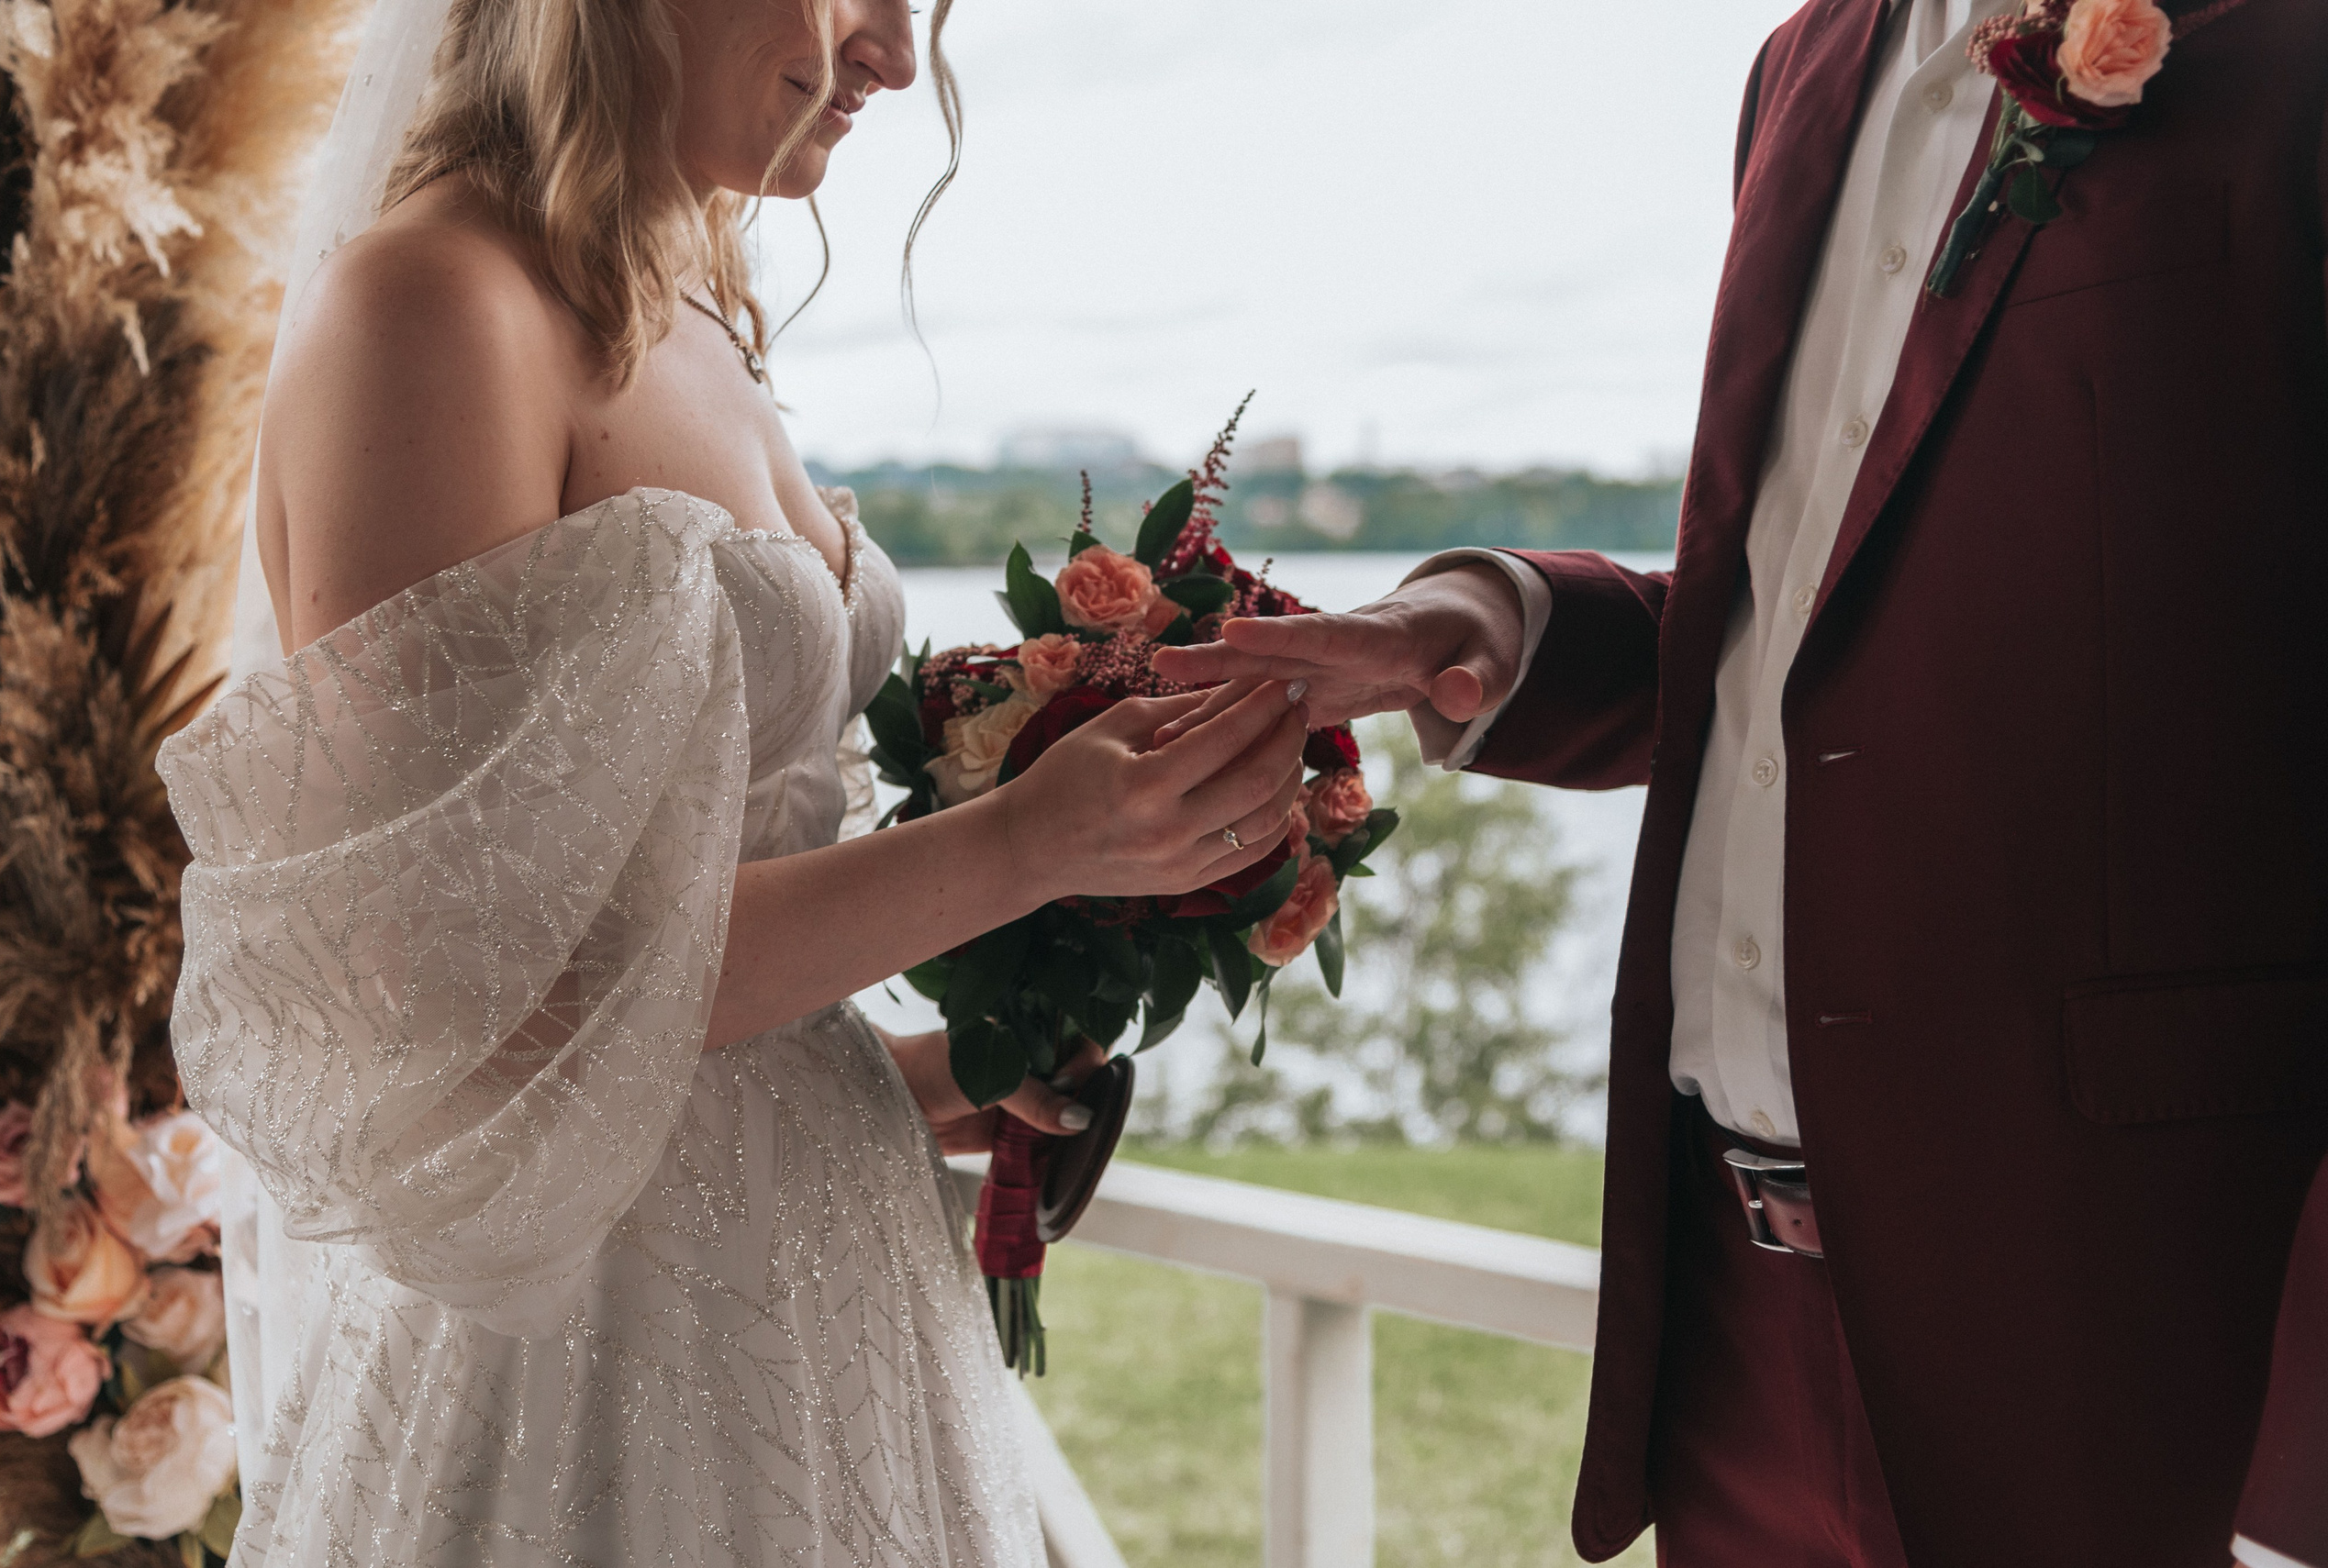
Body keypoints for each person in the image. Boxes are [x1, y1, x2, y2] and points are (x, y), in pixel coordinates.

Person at [1155, 0, 2328, 1563]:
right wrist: (1490, 626)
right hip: (1727, 1309)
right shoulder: (1798, 68)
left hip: (2109, 1317)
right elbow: (1800, 618)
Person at [155, 0, 1309, 1562]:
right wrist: (1028, 842)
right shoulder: (433, 304)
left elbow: (661, 997)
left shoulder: (684, 299)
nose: (898, 59)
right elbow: (442, 985)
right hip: (581, 1370)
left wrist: (914, 1077)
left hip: (837, 1300)